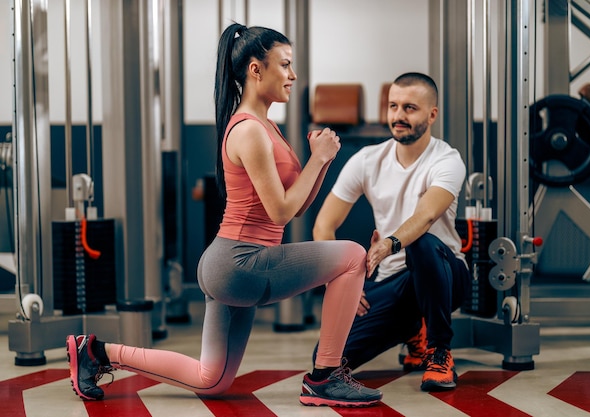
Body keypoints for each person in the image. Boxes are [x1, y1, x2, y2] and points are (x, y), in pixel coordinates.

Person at [66, 23, 382, 408]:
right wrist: (317, 158)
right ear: (255, 69)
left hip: (230, 263)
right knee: (352, 255)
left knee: (211, 379)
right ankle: (325, 377)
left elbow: (296, 204)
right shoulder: (249, 131)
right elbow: (280, 212)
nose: (292, 75)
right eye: (284, 65)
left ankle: (96, 352)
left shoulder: (267, 126)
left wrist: (323, 162)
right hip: (242, 262)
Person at [312, 72, 470, 391]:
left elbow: (425, 216)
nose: (398, 116)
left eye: (409, 108)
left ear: (431, 114)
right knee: (326, 356)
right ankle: (413, 330)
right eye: (393, 106)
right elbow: (324, 225)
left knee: (422, 244)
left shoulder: (447, 160)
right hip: (394, 280)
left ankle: (439, 351)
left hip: (447, 274)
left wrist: (388, 244)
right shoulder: (367, 160)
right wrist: (339, 282)